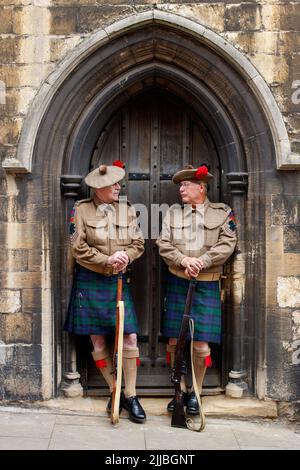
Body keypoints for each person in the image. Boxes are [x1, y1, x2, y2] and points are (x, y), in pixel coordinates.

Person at [64, 160, 146, 423]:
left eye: (118, 183)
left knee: (130, 338)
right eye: (113, 184)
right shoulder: (81, 211)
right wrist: (106, 259)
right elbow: (77, 248)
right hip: (92, 279)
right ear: (99, 187)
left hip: (119, 279)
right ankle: (115, 390)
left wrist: (126, 256)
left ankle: (131, 396)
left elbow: (138, 243)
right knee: (98, 340)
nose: (118, 187)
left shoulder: (127, 210)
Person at [156, 164, 237, 414]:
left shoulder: (223, 213)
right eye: (180, 185)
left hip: (207, 283)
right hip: (179, 281)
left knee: (201, 344)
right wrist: (184, 260)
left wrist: (202, 261)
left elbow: (228, 244)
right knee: (174, 341)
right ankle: (178, 390)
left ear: (200, 188)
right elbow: (164, 244)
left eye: (185, 185)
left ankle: (196, 394)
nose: (181, 189)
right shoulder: (172, 214)